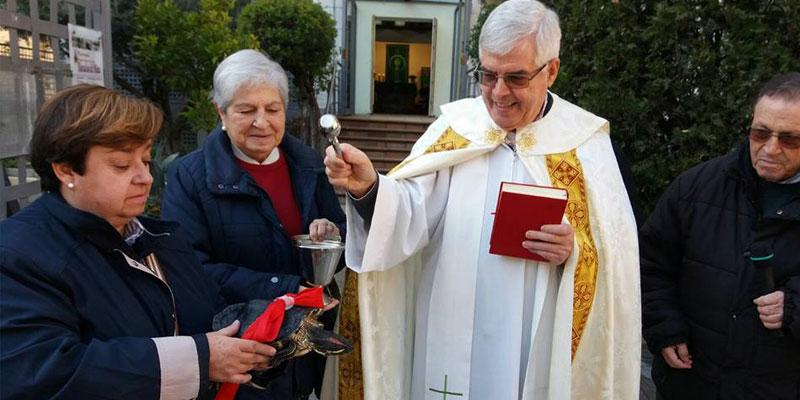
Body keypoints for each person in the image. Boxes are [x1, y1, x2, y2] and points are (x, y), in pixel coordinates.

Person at [323, 1, 641, 399]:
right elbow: (408, 217)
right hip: (447, 329)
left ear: (552, 71)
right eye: (488, 75)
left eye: (516, 77)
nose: (499, 93)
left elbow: (615, 265)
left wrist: (574, 251)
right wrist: (368, 186)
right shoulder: (457, 127)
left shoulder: (585, 144)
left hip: (532, 343)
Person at [0, 84, 276, 399]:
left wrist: (264, 334)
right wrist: (198, 360)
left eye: (145, 160)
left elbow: (210, 321)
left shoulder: (160, 238)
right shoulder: (19, 253)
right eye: (121, 165)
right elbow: (42, 374)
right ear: (65, 170)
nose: (145, 177)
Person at [161, 49, 346, 400]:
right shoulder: (191, 176)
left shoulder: (307, 164)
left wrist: (331, 234)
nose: (262, 122)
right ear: (221, 112)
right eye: (246, 110)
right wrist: (284, 286)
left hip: (302, 347)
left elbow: (338, 232)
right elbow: (189, 267)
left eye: (273, 109)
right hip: (237, 349)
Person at [641, 73, 800, 399]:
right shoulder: (696, 187)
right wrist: (664, 328)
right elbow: (649, 263)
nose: (770, 148)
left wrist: (796, 305)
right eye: (760, 133)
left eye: (789, 139)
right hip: (692, 383)